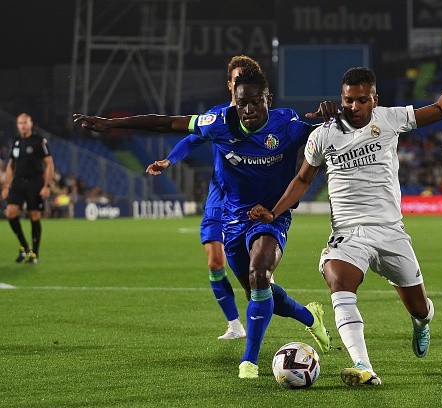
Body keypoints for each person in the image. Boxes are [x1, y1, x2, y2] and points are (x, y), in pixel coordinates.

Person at [72, 67, 331, 379]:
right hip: (233, 218)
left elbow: (330, 134)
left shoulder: (288, 125)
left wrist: (331, 117)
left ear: (268, 100)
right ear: (234, 102)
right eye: (241, 104)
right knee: (257, 293)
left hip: (270, 216)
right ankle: (309, 315)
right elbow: (167, 123)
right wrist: (111, 124)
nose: (248, 110)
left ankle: (249, 362)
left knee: (261, 274)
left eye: (256, 103)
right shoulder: (219, 122)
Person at [248, 34, 442, 386]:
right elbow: (303, 180)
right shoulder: (324, 135)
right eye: (348, 100)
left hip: (390, 230)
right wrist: (274, 212)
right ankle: (364, 367)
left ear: (374, 100)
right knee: (337, 278)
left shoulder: (392, 119)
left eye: (361, 100)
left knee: (419, 307)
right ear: (342, 98)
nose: (353, 107)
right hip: (349, 233)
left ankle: (422, 322)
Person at [202, 55, 264, 340]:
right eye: (236, 80)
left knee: (254, 277)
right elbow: (188, 136)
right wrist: (168, 160)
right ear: (230, 84)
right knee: (215, 261)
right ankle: (235, 325)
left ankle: (297, 313)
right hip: (219, 196)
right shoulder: (217, 117)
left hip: (247, 200)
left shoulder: (262, 119)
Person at [2, 113, 54, 263]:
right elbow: (11, 165)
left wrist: (47, 185)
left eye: (25, 123)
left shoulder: (39, 141)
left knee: (34, 216)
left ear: (31, 124)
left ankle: (35, 253)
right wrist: (6, 185)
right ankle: (25, 246)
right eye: (20, 123)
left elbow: (49, 163)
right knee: (10, 213)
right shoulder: (16, 141)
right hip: (18, 181)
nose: (22, 126)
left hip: (35, 181)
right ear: (17, 125)